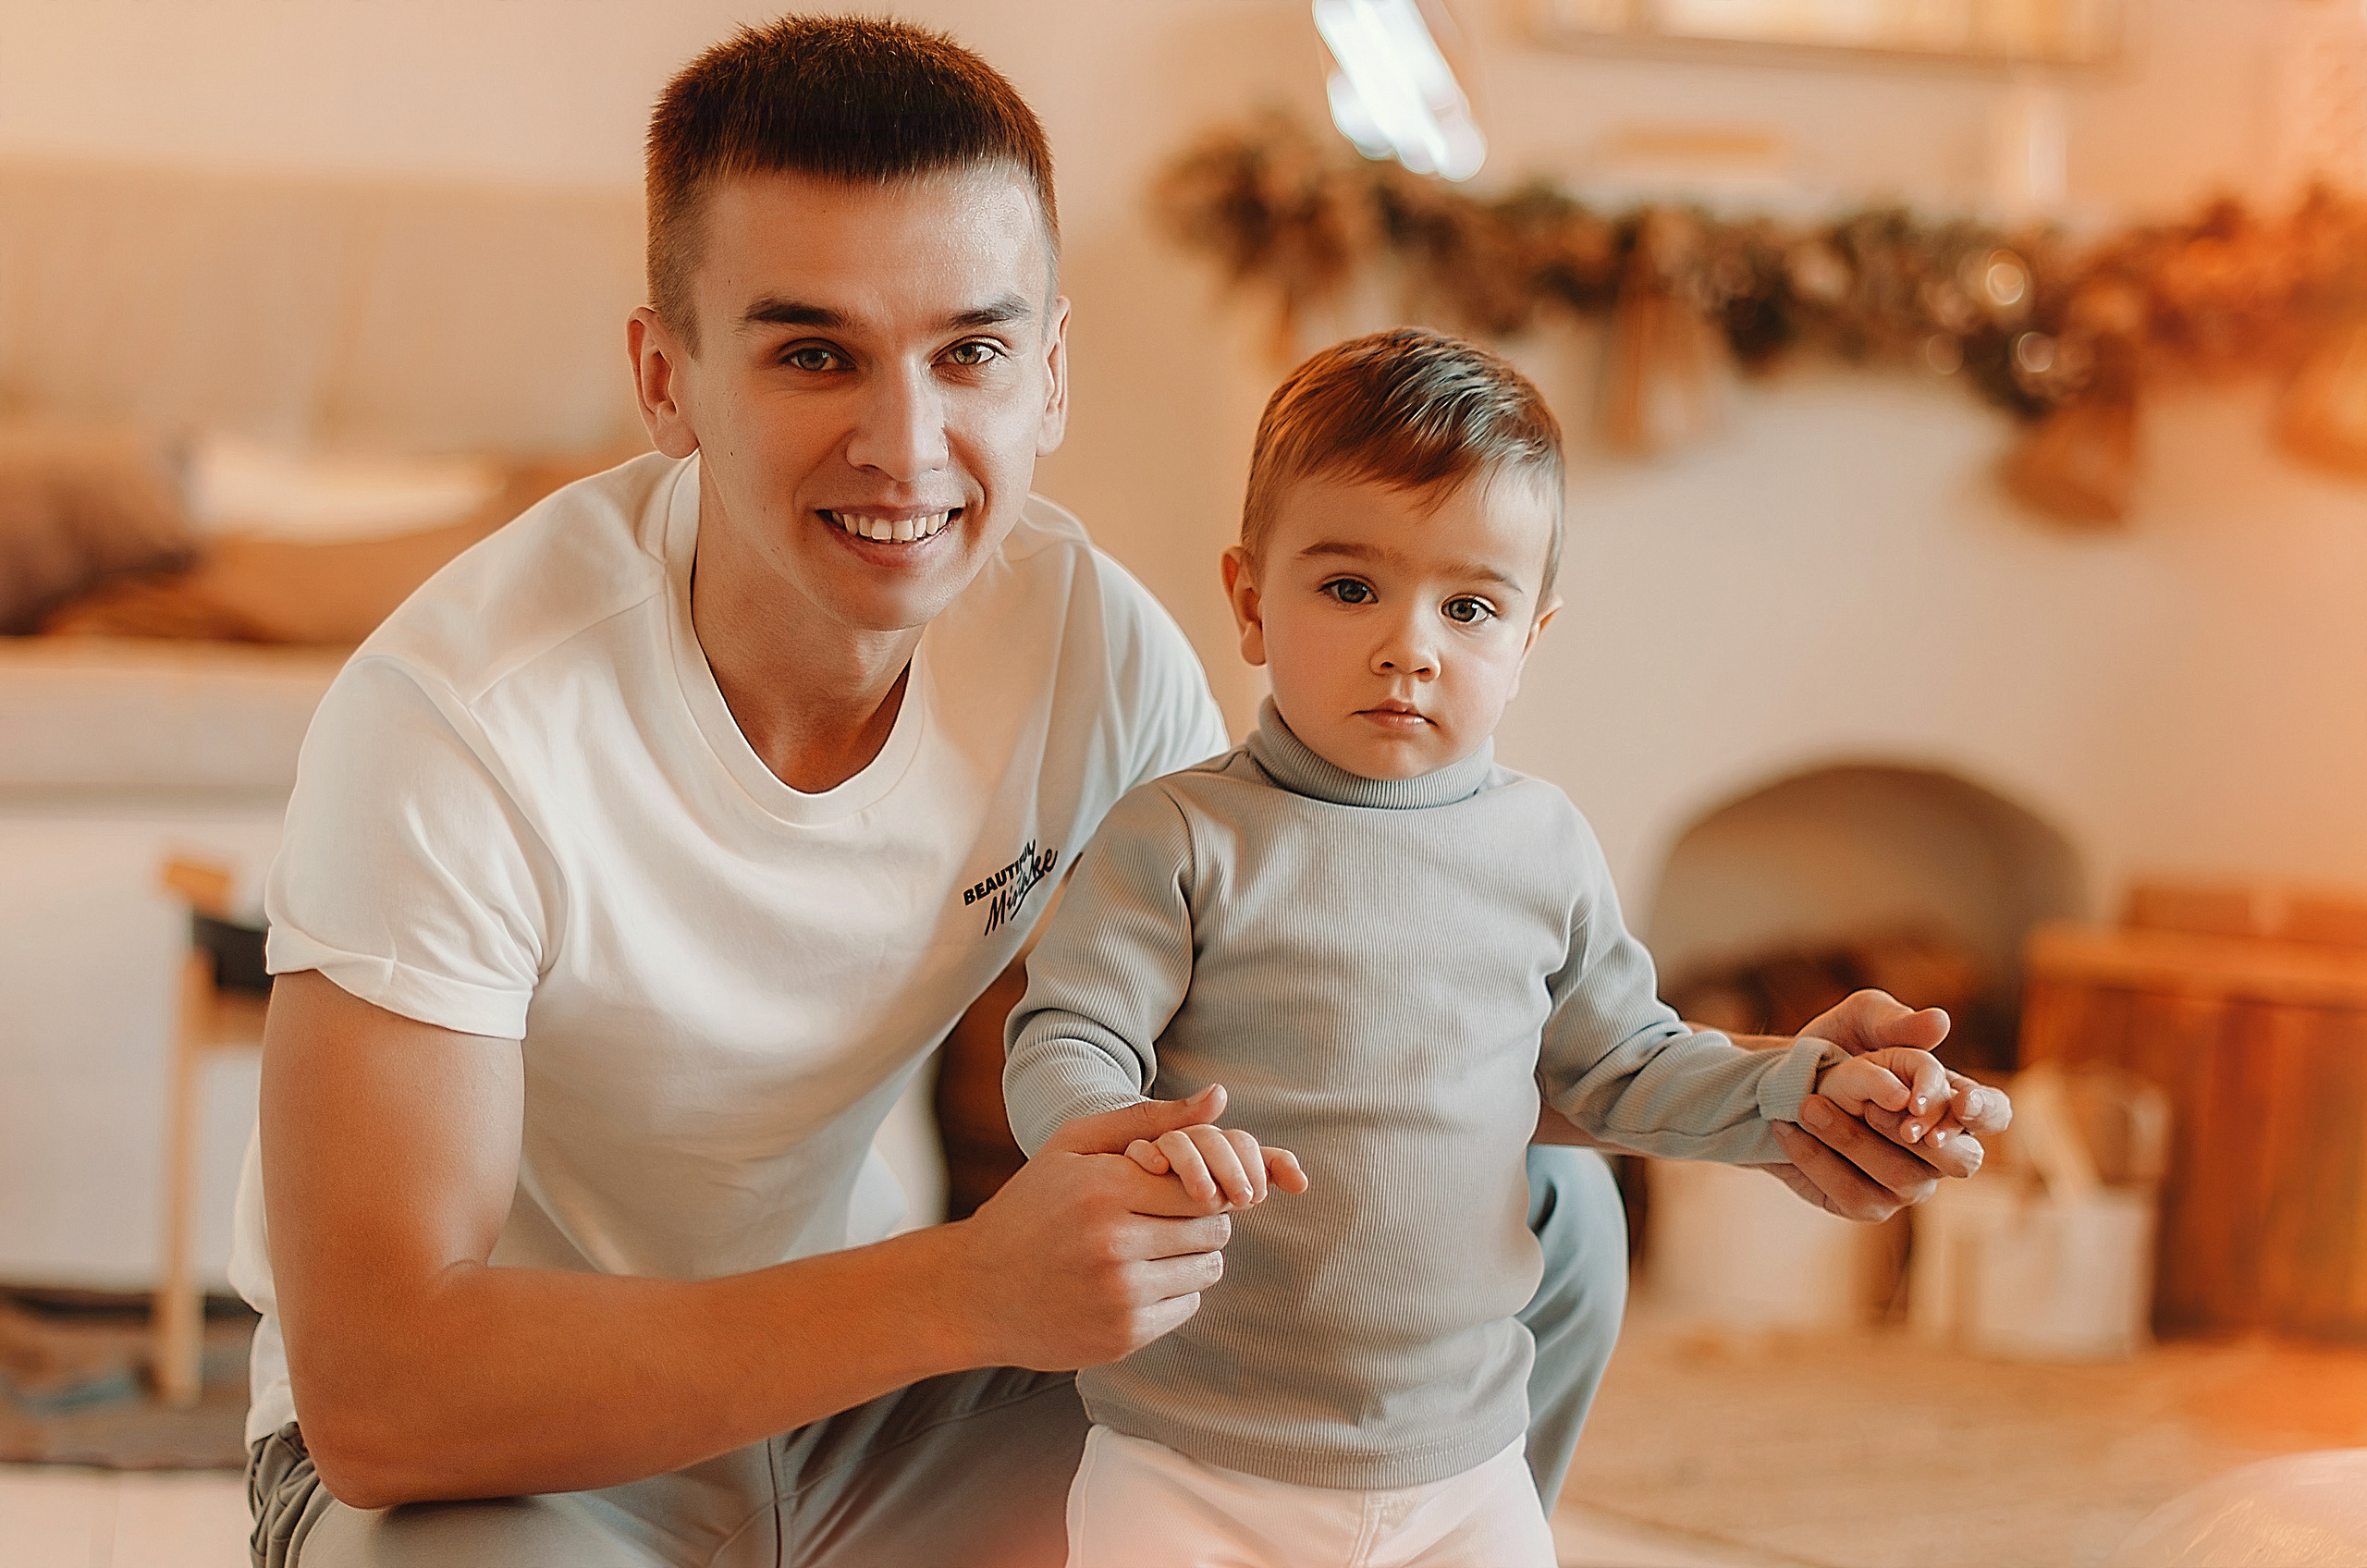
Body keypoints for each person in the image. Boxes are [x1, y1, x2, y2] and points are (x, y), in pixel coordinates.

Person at [233, 17, 2006, 1568]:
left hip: (888, 1419)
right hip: (512, 1476)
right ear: (663, 379)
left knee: (1546, 1226)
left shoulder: (1091, 645)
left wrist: (1781, 1098)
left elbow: (1361, 1045)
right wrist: (963, 1289)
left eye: (972, 352)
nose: (907, 446)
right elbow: (390, 1396)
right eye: (810, 352)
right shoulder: (456, 724)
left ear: (1053, 371)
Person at [1000, 328, 1978, 1565]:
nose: (1411, 644)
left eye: (1469, 606)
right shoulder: (1184, 836)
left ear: (1529, 640)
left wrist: (1808, 1086)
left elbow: (1623, 1062)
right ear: (1251, 600)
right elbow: (1067, 1034)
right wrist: (1117, 1131)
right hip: (1191, 1459)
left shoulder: (1543, 845)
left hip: (1462, 1467)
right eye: (1350, 588)